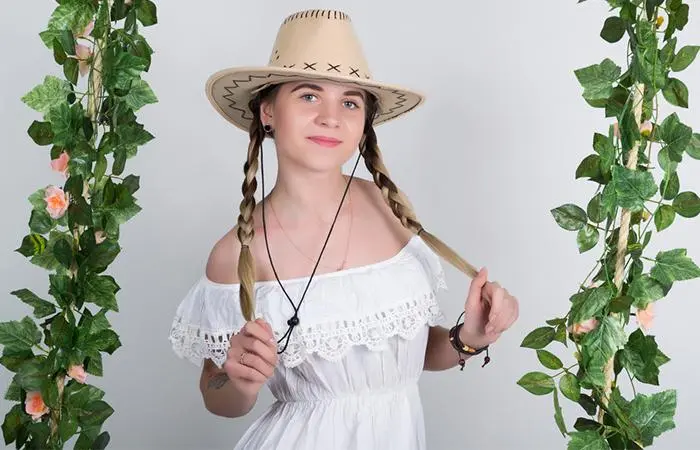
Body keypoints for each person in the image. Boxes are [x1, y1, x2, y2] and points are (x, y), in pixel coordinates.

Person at [168, 8, 519, 449]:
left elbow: (402, 359)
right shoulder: (235, 254)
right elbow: (219, 398)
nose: (331, 117)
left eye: (349, 102)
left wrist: (469, 338)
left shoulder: (387, 207)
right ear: (268, 112)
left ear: (363, 122)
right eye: (309, 96)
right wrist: (240, 380)